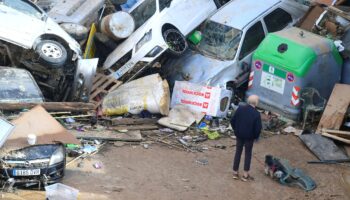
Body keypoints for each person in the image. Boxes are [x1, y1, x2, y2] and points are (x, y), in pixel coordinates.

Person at [230, 95, 262, 182]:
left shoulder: (240, 109)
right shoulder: (256, 114)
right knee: (248, 154)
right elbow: (258, 128)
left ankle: (235, 173)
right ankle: (245, 175)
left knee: (238, 152)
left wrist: (236, 130)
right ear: (256, 102)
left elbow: (232, 120)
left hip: (239, 135)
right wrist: (255, 137)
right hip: (249, 137)